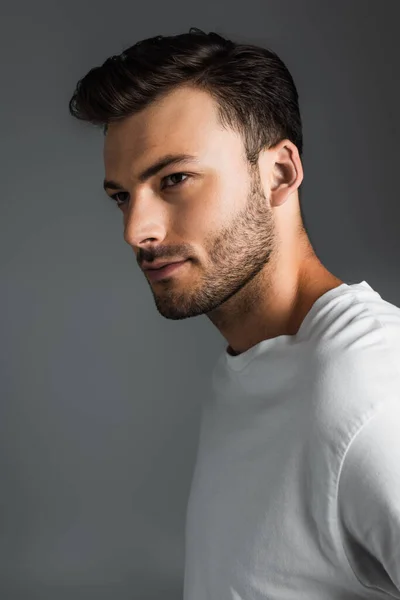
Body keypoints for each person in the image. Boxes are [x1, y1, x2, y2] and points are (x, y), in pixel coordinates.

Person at [69, 28, 400, 599]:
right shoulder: (255, 366)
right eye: (122, 196)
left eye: (174, 179)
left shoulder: (370, 390)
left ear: (279, 173)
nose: (135, 230)